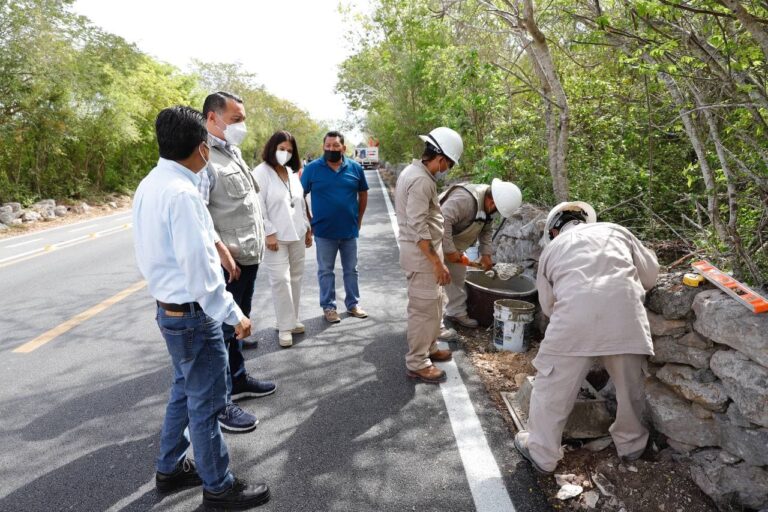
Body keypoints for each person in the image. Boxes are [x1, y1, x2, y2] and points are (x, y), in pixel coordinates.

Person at [133, 106, 270, 509]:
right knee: (208, 402)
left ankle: (169, 468)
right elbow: (201, 276)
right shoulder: (182, 194)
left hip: (169, 311)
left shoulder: (153, 183)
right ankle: (219, 487)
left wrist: (218, 243)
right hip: (194, 314)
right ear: (201, 148)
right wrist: (234, 314)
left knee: (184, 389)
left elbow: (191, 244)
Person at [514, 201, 659, 474]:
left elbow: (548, 305)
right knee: (630, 389)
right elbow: (650, 276)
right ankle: (631, 447)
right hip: (625, 318)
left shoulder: (552, 250)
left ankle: (542, 454)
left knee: (551, 387)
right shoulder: (618, 232)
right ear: (587, 221)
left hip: (573, 322)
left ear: (553, 231)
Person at [200, 91, 275, 433]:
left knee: (237, 328)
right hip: (229, 262)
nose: (242, 126)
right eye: (236, 120)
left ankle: (239, 379)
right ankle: (222, 403)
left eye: (243, 119)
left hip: (247, 255)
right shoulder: (203, 159)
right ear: (212, 119)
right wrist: (220, 253)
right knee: (223, 330)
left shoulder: (232, 153)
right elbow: (199, 216)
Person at [394, 127, 463, 384]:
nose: (447, 169)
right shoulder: (422, 180)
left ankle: (430, 348)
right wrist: (437, 263)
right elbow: (418, 228)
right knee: (423, 311)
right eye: (449, 164)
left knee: (434, 307)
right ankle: (418, 362)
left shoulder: (415, 173)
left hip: (425, 256)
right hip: (422, 258)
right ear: (441, 158)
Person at [300, 131, 369, 323]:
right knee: (325, 271)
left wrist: (359, 219)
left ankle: (353, 304)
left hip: (349, 230)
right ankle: (329, 307)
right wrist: (309, 219)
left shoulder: (355, 168)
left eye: (335, 146)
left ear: (343, 148)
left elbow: (363, 194)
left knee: (351, 269)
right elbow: (299, 195)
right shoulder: (312, 169)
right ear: (323, 147)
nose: (331, 149)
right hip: (323, 232)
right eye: (328, 146)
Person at [253, 131, 312, 348]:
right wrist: (268, 231)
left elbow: (300, 201)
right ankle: (284, 327)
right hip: (275, 238)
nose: (285, 153)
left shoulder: (290, 172)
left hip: (296, 233)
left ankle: (291, 319)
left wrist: (307, 228)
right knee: (280, 280)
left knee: (296, 277)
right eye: (281, 149)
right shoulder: (261, 173)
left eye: (289, 150)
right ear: (272, 148)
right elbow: (258, 205)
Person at [440, 178, 522, 330]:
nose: (495, 213)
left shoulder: (488, 206)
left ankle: (456, 313)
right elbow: (442, 220)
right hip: (431, 236)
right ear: (492, 203)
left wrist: (486, 254)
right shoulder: (465, 200)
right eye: (496, 209)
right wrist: (450, 251)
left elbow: (486, 230)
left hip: (453, 238)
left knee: (457, 277)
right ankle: (433, 328)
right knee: (434, 281)